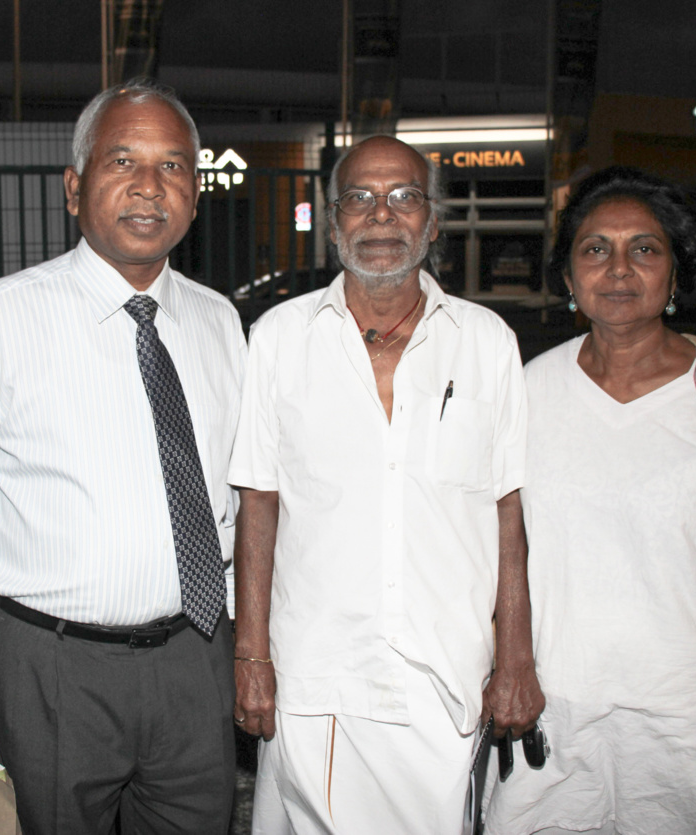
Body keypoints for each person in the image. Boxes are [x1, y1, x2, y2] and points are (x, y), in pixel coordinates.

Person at [0, 79, 246, 834]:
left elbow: (228, 496)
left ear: (196, 195)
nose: (150, 186)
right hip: (52, 663)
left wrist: (240, 636)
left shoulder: (219, 322)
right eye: (122, 161)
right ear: (75, 188)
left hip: (196, 654)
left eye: (174, 166)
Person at [228, 134, 545, 834]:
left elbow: (507, 513)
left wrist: (515, 658)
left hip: (444, 677)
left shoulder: (486, 341)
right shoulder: (280, 337)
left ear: (431, 221)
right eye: (360, 199)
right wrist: (251, 654)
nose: (380, 216)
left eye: (402, 197)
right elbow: (258, 502)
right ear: (333, 218)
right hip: (316, 678)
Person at [483, 166, 696, 835]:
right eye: (595, 248)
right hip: (551, 709)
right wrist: (507, 666)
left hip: (685, 715)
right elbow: (498, 550)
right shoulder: (525, 391)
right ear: (567, 277)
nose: (618, 268)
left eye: (644, 248)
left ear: (675, 273)